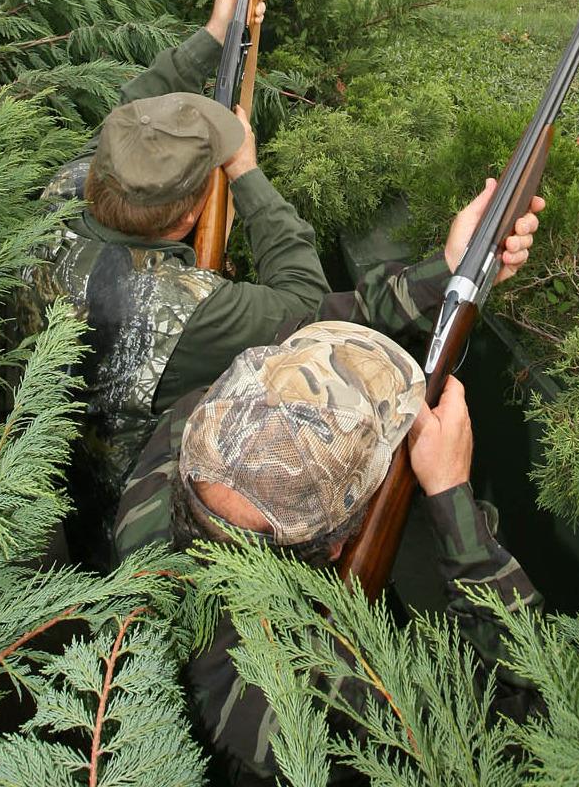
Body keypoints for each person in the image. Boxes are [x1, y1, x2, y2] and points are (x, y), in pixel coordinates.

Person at [18, 0, 544, 500]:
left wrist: (214, 35)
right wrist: (246, 172)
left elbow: (128, 115)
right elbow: (310, 309)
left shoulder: (61, 195)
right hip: (128, 509)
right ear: (188, 216)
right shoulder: (190, 313)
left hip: (42, 470)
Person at [114, 321, 541, 786]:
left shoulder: (159, 477)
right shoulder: (325, 704)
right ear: (335, 547)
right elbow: (532, 703)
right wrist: (449, 493)